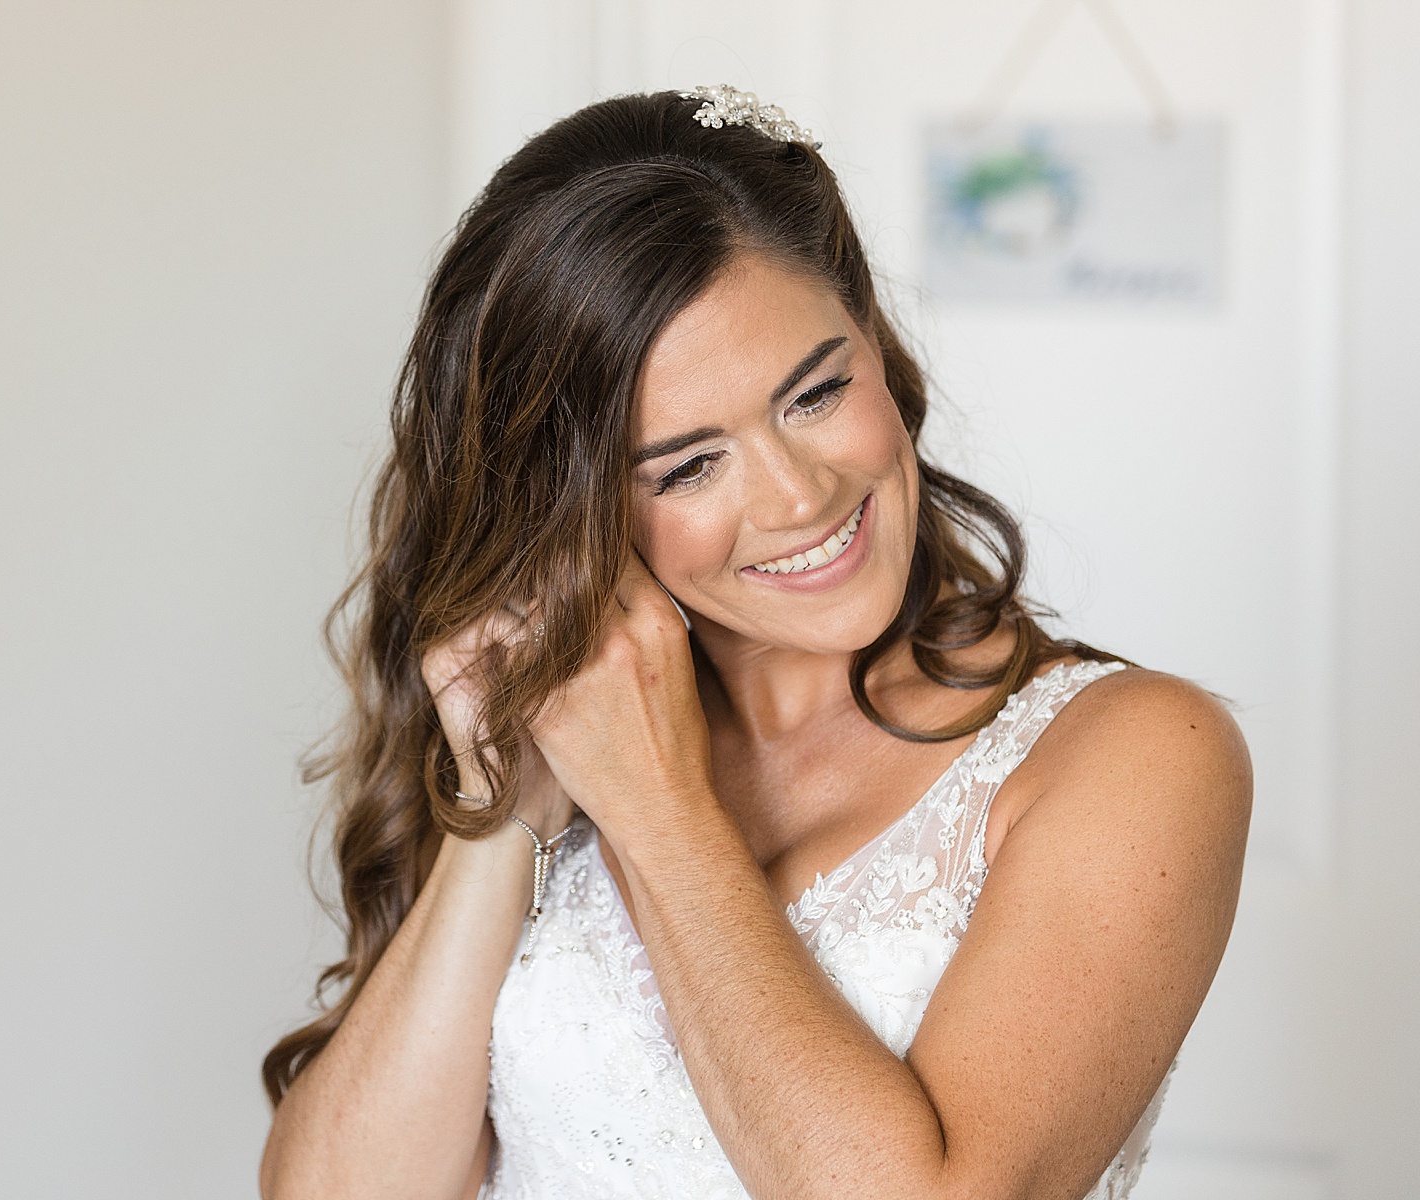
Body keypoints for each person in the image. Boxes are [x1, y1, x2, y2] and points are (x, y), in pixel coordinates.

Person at [257, 86, 1251, 1200]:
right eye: (687, 466)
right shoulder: (570, 749)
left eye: (817, 393)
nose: (801, 495)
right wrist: (514, 803)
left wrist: (659, 808)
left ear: (875, 343)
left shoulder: (1136, 756)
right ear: (573, 514)